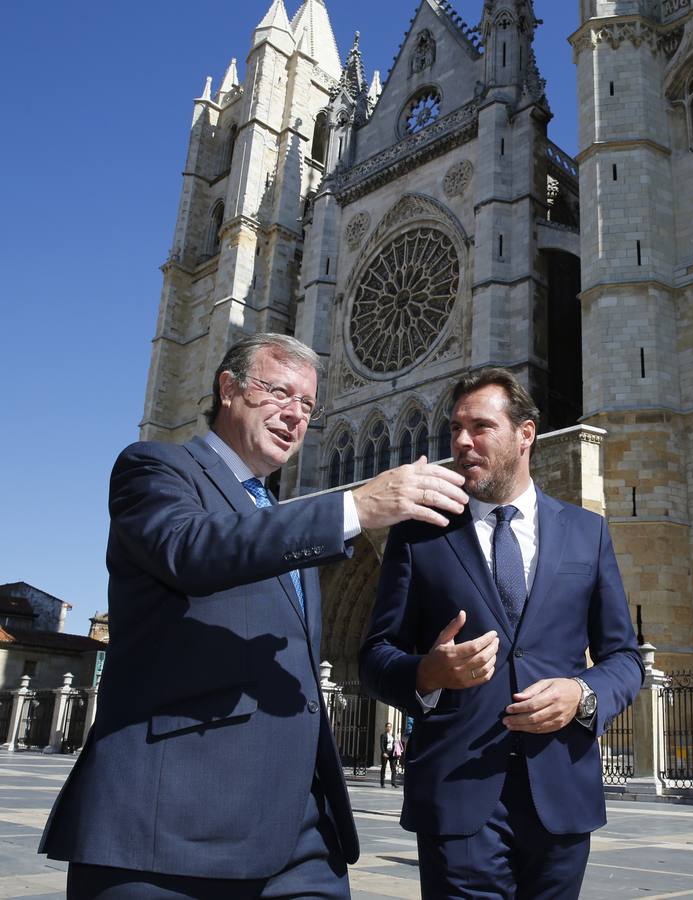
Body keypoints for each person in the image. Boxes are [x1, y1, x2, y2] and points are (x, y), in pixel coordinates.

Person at [40, 333, 468, 899]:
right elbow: (190, 549)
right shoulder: (156, 468)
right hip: (169, 829)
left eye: (309, 405)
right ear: (228, 389)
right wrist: (355, 506)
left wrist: (425, 671)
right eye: (278, 393)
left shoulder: (283, 521)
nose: (295, 415)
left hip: (300, 838)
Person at [359, 368, 644, 900]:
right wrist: (426, 672)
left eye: (481, 427)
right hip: (458, 800)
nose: (462, 442)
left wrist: (581, 694)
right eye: (455, 429)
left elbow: (625, 658)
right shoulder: (420, 535)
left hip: (560, 798)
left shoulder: (587, 532)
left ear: (526, 435)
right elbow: (375, 655)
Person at [379, 722, 398, 788]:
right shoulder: (383, 735)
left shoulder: (392, 735)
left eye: (390, 727)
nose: (389, 728)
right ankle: (382, 783)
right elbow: (381, 744)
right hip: (386, 752)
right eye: (387, 726)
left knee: (393, 768)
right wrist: (383, 752)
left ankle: (393, 783)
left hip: (392, 753)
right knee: (383, 767)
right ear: (385, 727)